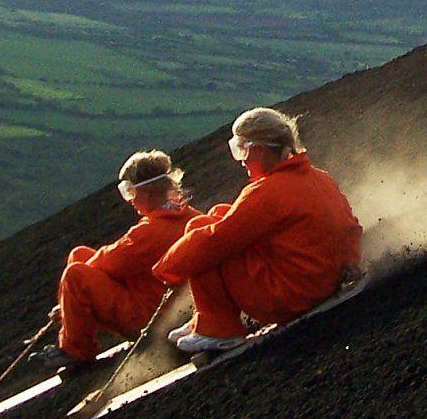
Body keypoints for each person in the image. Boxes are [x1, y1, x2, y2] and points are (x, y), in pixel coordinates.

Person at [155, 107, 363, 356]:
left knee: (202, 242)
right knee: (219, 214)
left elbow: (214, 242)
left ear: (260, 149)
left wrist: (167, 268)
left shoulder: (266, 192)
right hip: (326, 279)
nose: (241, 159)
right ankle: (206, 317)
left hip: (293, 295)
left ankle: (219, 330)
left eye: (242, 149)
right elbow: (350, 228)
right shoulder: (319, 177)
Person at [35, 151, 196, 368]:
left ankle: (75, 350)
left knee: (75, 275)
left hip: (154, 317)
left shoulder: (152, 231)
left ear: (147, 192)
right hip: (170, 305)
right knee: (80, 256)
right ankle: (74, 338)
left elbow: (111, 261)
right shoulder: (189, 216)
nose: (130, 200)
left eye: (130, 192)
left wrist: (67, 301)